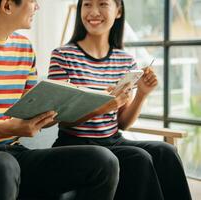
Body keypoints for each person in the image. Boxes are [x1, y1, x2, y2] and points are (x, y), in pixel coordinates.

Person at [0, 0, 122, 199]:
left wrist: (74, 103)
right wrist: (6, 128)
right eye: (33, 1)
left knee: (102, 161)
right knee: (2, 165)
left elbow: (31, 113)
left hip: (11, 154)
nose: (37, 6)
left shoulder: (24, 48)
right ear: (7, 5)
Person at [48, 0, 192, 200]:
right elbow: (61, 119)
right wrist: (102, 106)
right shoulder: (62, 56)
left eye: (102, 4)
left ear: (118, 11)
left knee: (165, 151)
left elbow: (123, 123)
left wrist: (142, 93)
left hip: (113, 140)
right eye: (87, 4)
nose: (93, 12)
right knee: (139, 158)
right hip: (75, 144)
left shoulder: (125, 60)